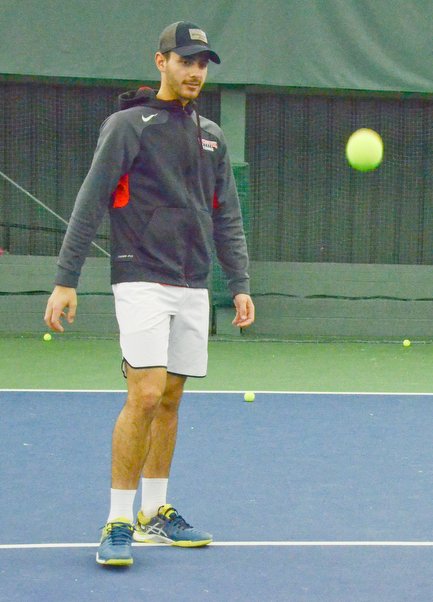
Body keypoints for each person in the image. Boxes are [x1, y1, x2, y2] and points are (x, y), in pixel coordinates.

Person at [44, 21, 255, 567]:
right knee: (144, 394)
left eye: (203, 63)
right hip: (139, 275)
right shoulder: (127, 125)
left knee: (171, 398)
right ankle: (117, 518)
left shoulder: (212, 135)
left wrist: (239, 284)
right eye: (186, 61)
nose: (195, 71)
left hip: (192, 283)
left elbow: (226, 214)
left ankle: (154, 514)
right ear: (160, 62)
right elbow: (92, 200)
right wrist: (67, 278)